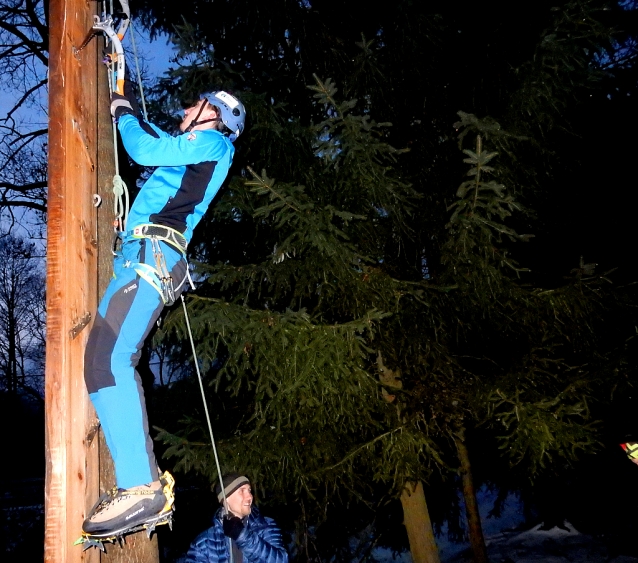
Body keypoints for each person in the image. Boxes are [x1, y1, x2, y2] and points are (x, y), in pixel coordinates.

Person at [81, 78, 246, 539]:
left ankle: (141, 486)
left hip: (151, 259)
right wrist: (128, 100)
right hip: (142, 257)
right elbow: (160, 142)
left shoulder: (214, 142)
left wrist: (122, 113)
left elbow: (145, 149)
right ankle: (138, 484)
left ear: (215, 114)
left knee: (108, 360)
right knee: (102, 362)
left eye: (195, 106)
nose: (185, 113)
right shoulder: (197, 148)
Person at [185, 473, 288, 563]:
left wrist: (243, 536)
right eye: (242, 491)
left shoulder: (266, 526)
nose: (250, 496)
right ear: (226, 499)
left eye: (249, 490)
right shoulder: (204, 542)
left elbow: (282, 560)